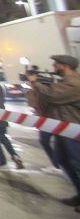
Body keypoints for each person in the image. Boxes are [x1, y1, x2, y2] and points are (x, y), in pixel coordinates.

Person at [25, 54, 80, 209]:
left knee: (77, 163)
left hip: (74, 130)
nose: (54, 66)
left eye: (57, 64)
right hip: (62, 128)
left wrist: (35, 83)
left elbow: (52, 95)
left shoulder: (74, 83)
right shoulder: (63, 82)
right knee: (63, 160)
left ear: (66, 66)